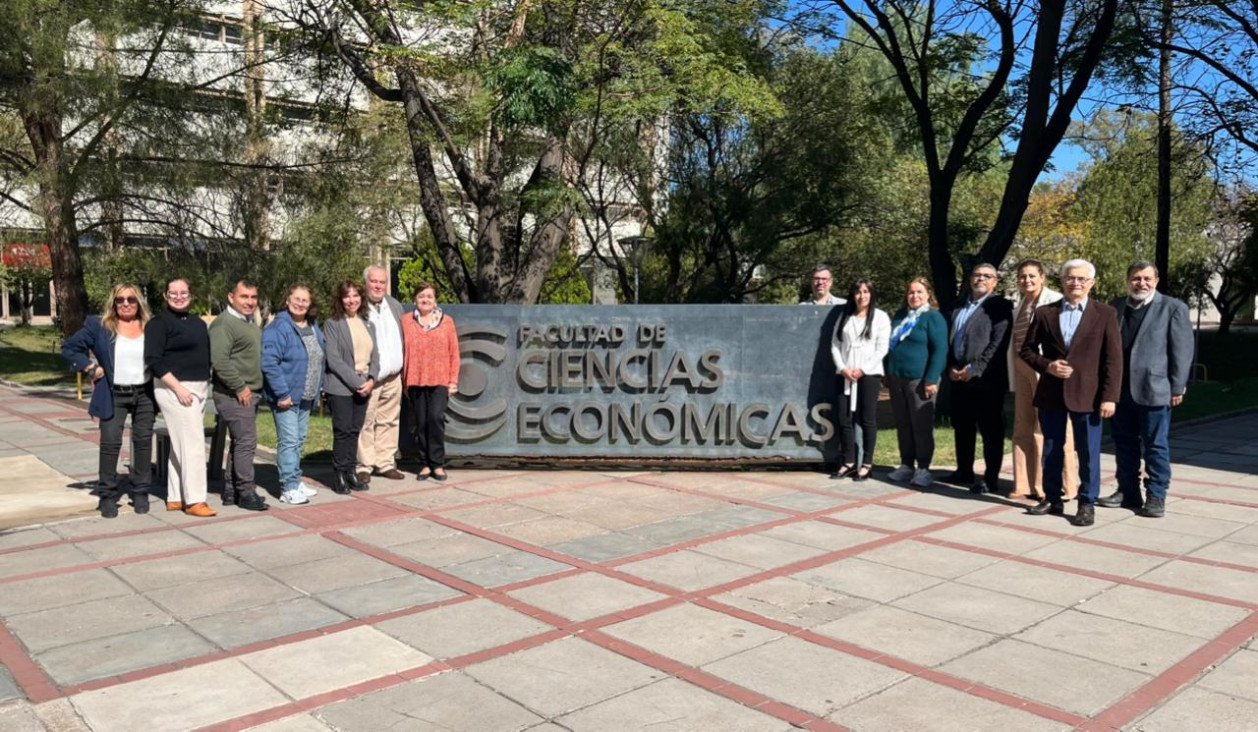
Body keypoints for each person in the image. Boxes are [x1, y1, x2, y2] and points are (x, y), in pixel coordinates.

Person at [1020, 259, 1122, 527]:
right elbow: (1027, 351)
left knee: (1088, 452)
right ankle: (1052, 498)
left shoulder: (1106, 314)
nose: (1075, 283)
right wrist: (1047, 366)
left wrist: (1110, 396)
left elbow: (1113, 359)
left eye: (1081, 279)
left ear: (1091, 283)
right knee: (1051, 449)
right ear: (1062, 281)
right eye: (1070, 278)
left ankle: (1087, 503)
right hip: (1052, 393)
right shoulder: (1045, 313)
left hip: (1089, 396)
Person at [1099, 261, 1193, 518]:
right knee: (1124, 443)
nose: (1141, 283)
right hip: (1120, 391)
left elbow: (1182, 351)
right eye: (1136, 278)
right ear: (1127, 280)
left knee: (1155, 445)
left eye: (1147, 278)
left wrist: (1177, 385)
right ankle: (1128, 491)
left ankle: (1156, 495)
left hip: (1155, 389)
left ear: (1156, 281)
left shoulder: (1173, 308)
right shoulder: (1115, 307)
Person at [61, 283, 156, 518]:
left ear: (139, 302)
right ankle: (107, 495)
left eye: (131, 300)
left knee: (143, 442)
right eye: (120, 300)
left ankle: (141, 491)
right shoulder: (99, 326)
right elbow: (70, 348)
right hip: (113, 394)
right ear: (113, 303)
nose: (125, 304)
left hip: (144, 393)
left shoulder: (151, 326)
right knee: (111, 443)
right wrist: (89, 366)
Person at [145, 278, 216, 517]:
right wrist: (178, 388)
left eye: (183, 292)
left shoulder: (197, 322)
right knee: (193, 444)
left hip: (198, 387)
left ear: (191, 295)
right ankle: (195, 500)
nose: (178, 296)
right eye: (173, 293)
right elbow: (154, 360)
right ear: (165, 296)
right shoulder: (158, 323)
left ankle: (175, 497)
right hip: (174, 389)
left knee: (180, 445)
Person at [1009, 260, 1078, 501]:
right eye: (1022, 276)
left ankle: (1063, 486)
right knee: (1022, 427)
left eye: (1031, 276)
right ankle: (1024, 484)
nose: (1026, 280)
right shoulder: (1019, 305)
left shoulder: (1055, 301)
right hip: (1021, 370)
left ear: (1042, 278)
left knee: (1049, 429)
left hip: (1045, 371)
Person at [943, 262, 1013, 495]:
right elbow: (948, 341)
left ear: (995, 282)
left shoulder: (999, 307)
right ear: (970, 279)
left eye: (987, 276)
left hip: (987, 381)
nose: (981, 279)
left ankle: (990, 478)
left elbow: (998, 343)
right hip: (958, 378)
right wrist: (951, 367)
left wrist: (975, 368)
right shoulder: (956, 307)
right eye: (977, 275)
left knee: (991, 430)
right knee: (962, 427)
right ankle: (964, 471)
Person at [208, 279, 268, 511]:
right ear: (231, 297)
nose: (250, 302)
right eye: (244, 296)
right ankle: (246, 492)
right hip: (234, 394)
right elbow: (220, 361)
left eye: (253, 297)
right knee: (246, 443)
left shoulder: (249, 322)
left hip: (248, 393)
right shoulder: (224, 324)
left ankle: (231, 491)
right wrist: (240, 387)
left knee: (239, 443)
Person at [262, 284, 325, 505]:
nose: (300, 303)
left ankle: (295, 480)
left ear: (310, 304)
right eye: (296, 299)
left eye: (304, 300)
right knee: (288, 441)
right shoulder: (278, 327)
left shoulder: (313, 326)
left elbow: (318, 356)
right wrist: (282, 393)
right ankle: (287, 487)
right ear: (287, 300)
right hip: (286, 397)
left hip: (306, 395)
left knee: (298, 440)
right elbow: (269, 363)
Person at [885, 277, 948, 488]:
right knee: (903, 424)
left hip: (920, 380)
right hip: (897, 378)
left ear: (928, 294)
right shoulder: (900, 316)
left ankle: (923, 467)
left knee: (921, 425)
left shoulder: (933, 318)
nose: (915, 296)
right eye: (911, 292)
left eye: (919, 292)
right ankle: (906, 464)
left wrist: (931, 379)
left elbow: (940, 350)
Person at [830, 279, 890, 481]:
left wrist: (862, 370)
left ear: (871, 294)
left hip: (869, 374)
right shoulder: (845, 316)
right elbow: (835, 345)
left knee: (867, 419)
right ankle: (848, 460)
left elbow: (882, 348)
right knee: (844, 418)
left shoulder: (880, 317)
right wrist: (843, 368)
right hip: (845, 373)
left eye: (866, 292)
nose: (862, 296)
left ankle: (866, 463)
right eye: (858, 292)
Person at [324, 280, 380, 495]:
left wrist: (372, 379)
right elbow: (334, 360)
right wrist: (358, 383)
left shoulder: (368, 323)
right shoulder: (333, 323)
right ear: (340, 299)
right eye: (347, 296)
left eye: (356, 295)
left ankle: (350, 471)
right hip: (340, 387)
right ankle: (338, 473)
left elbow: (376, 356)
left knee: (355, 431)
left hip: (365, 385)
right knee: (342, 431)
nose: (352, 300)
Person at [401, 282, 460, 481]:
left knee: (435, 419)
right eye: (421, 296)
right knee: (421, 422)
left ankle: (438, 463)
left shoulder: (447, 322)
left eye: (429, 296)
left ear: (435, 300)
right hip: (415, 379)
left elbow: (454, 352)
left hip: (440, 379)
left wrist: (453, 380)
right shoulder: (406, 321)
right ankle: (425, 463)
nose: (425, 300)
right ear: (415, 300)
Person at [357, 265, 406, 485]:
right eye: (374, 281)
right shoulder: (358, 307)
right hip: (369, 378)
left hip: (393, 377)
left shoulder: (394, 305)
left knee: (389, 420)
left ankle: (385, 462)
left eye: (382, 282)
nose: (378, 286)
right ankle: (364, 465)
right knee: (365, 421)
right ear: (366, 282)